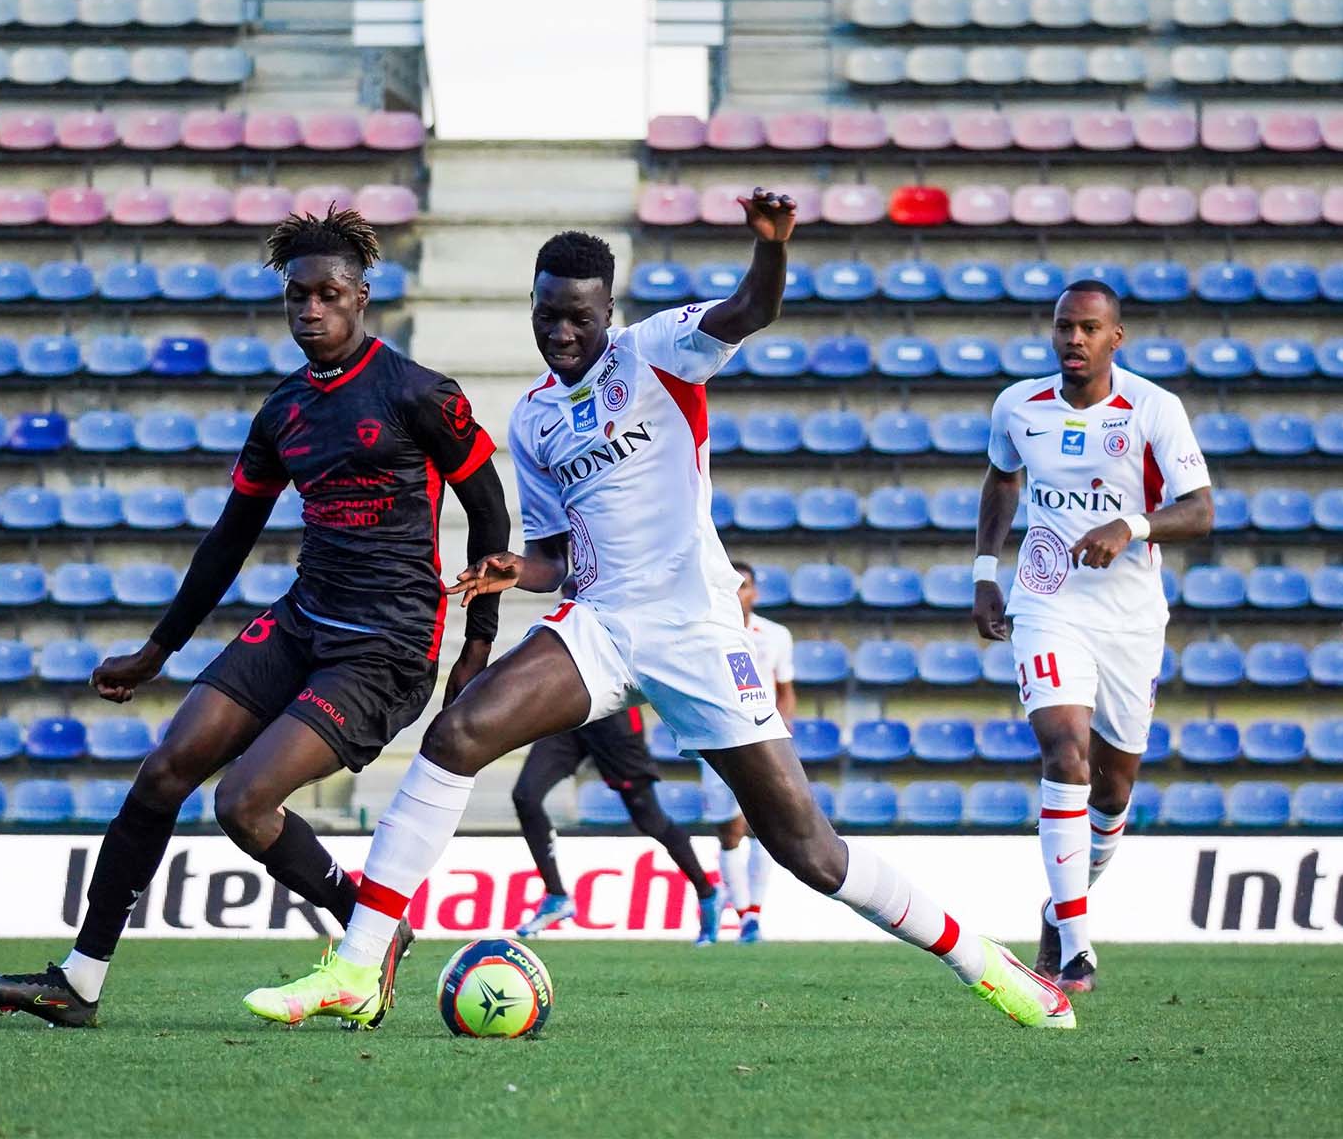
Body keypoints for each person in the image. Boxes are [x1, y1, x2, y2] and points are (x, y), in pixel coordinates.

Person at [246, 190, 1074, 1030]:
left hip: (697, 630)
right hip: (602, 625)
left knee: (810, 854)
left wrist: (771, 247)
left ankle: (988, 964)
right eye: (545, 315)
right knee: (457, 734)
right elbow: (560, 552)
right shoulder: (533, 420)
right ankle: (356, 965)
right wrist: (516, 568)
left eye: (576, 317)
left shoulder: (662, 353)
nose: (559, 333)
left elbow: (756, 307)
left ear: (609, 310)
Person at [0, 207, 510, 1028]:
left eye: (329, 296)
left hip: (388, 645)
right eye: (298, 297)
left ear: (363, 298)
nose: (311, 312)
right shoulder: (282, 412)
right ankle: (76, 983)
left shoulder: (419, 394)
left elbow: (491, 511)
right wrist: (158, 648)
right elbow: (229, 538)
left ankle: (366, 922)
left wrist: (478, 641)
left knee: (243, 804)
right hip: (302, 618)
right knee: (164, 772)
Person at [973, 279, 1213, 995]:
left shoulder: (1152, 408)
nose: (1073, 340)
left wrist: (1131, 524)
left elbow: (1200, 511)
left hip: (1132, 617)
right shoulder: (1018, 406)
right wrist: (987, 571)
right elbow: (1002, 480)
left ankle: (1060, 905)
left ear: (1116, 338)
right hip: (1047, 600)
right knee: (1063, 750)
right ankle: (1076, 946)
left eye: (1087, 329)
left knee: (1113, 791)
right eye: (1063, 328)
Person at [510, 644, 720, 943]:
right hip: (568, 708)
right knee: (525, 796)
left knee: (650, 819)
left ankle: (707, 893)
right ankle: (557, 896)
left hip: (612, 714)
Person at [700, 559, 795, 943]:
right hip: (717, 737)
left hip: (763, 740)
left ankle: (752, 914)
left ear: (754, 592)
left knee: (761, 825)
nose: (738, 593)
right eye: (731, 586)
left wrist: (784, 734)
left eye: (744, 586)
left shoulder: (774, 635)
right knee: (729, 829)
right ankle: (740, 912)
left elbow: (785, 690)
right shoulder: (705, 634)